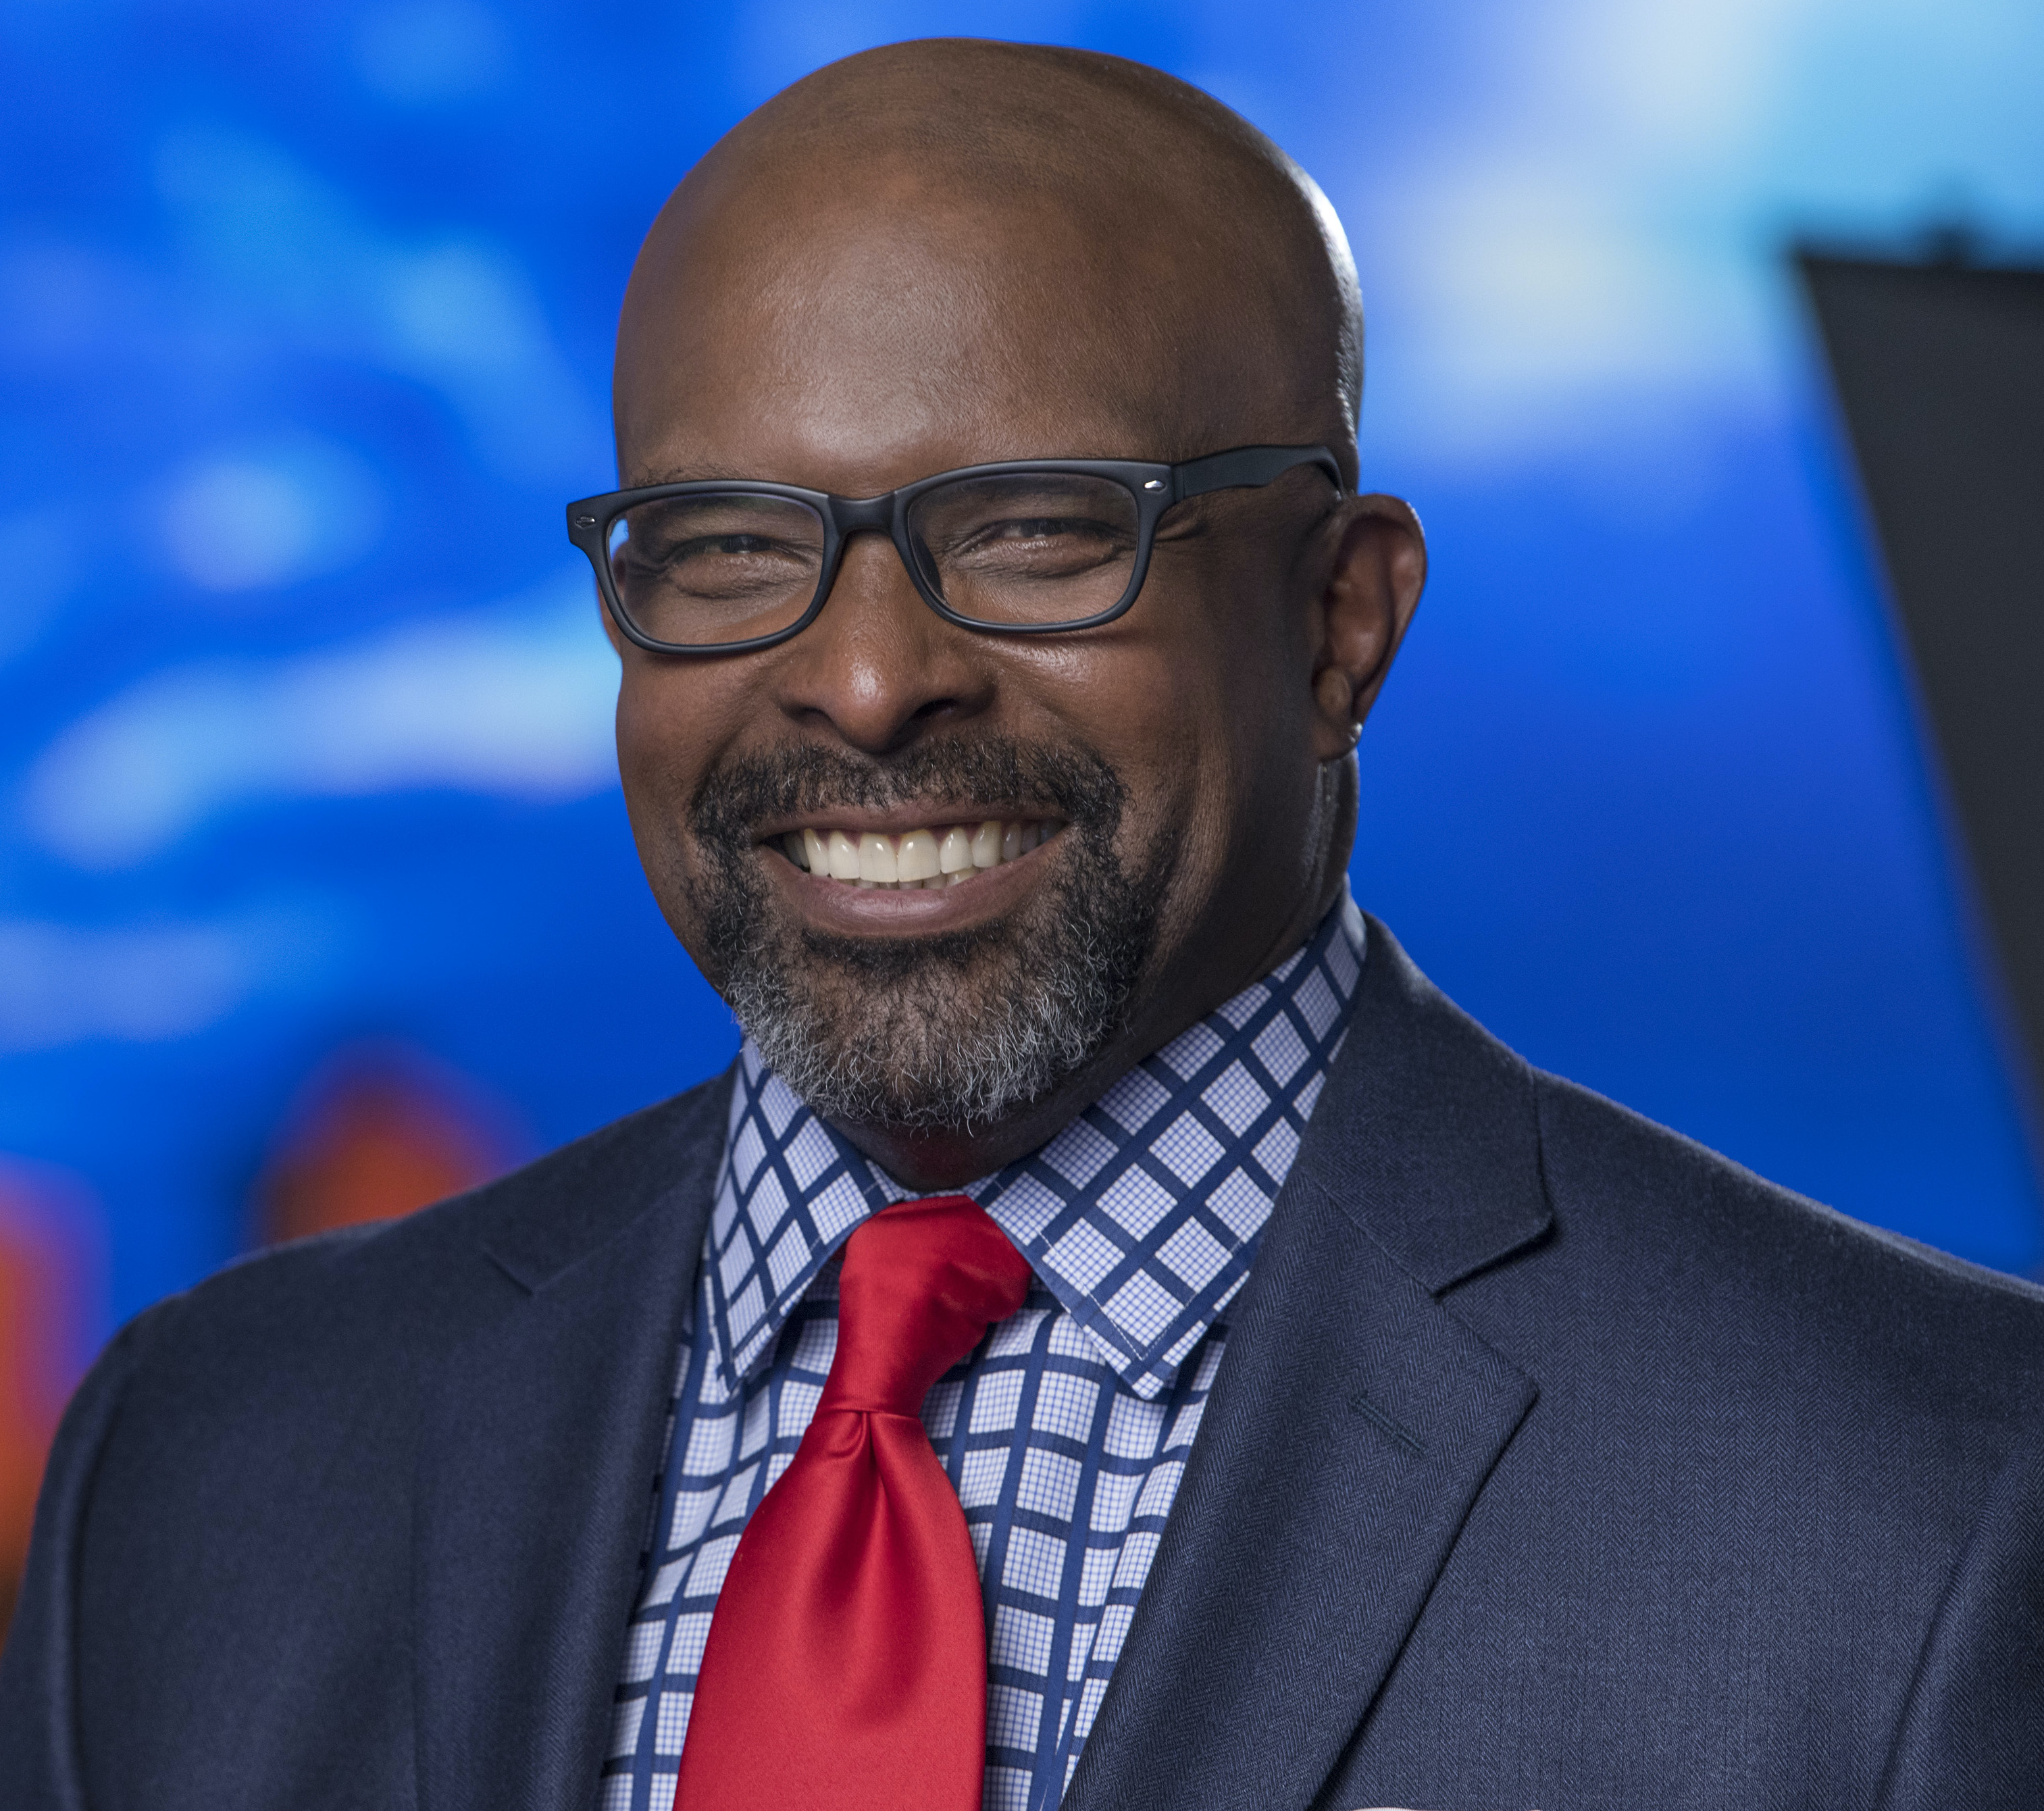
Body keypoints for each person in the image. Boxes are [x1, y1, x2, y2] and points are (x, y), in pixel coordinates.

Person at [4, 38, 2041, 1811]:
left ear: (1341, 617)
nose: (866, 682)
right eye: (727, 549)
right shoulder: (201, 1472)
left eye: (1041, 532)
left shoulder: (1930, 1502)